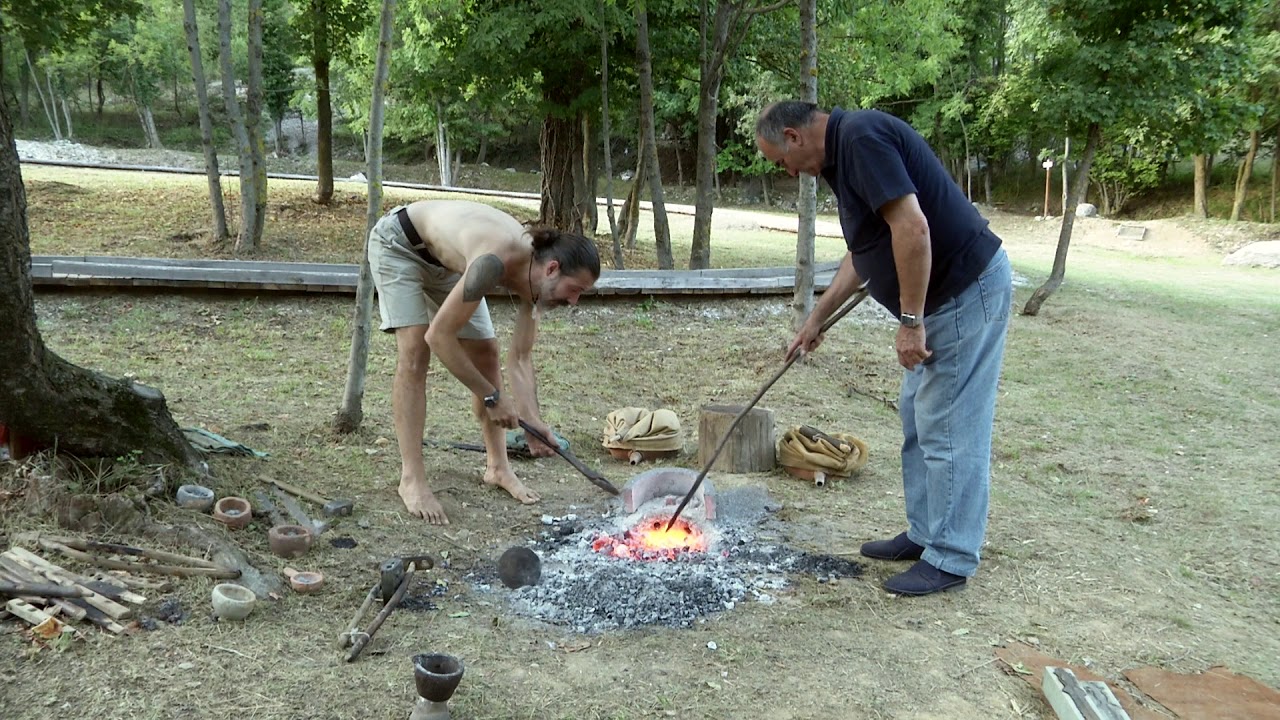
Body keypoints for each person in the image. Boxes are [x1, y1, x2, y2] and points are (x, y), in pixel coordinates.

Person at [755, 101, 1013, 596]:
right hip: (939, 302)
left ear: (793, 136)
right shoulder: (842, 158)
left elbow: (912, 229)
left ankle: (952, 556)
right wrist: (817, 317)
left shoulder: (862, 138)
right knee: (918, 416)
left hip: (963, 290)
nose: (785, 172)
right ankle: (925, 534)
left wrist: (911, 322)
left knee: (949, 425)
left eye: (779, 161)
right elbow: (865, 250)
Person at [367, 199, 600, 525]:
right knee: (416, 353)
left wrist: (533, 422)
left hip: (448, 264)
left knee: (486, 352)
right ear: (552, 269)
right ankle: (412, 480)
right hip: (401, 245)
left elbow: (519, 357)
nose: (574, 302)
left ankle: (498, 468)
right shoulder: (494, 261)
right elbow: (439, 337)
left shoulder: (536, 281)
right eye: (574, 290)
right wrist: (492, 397)